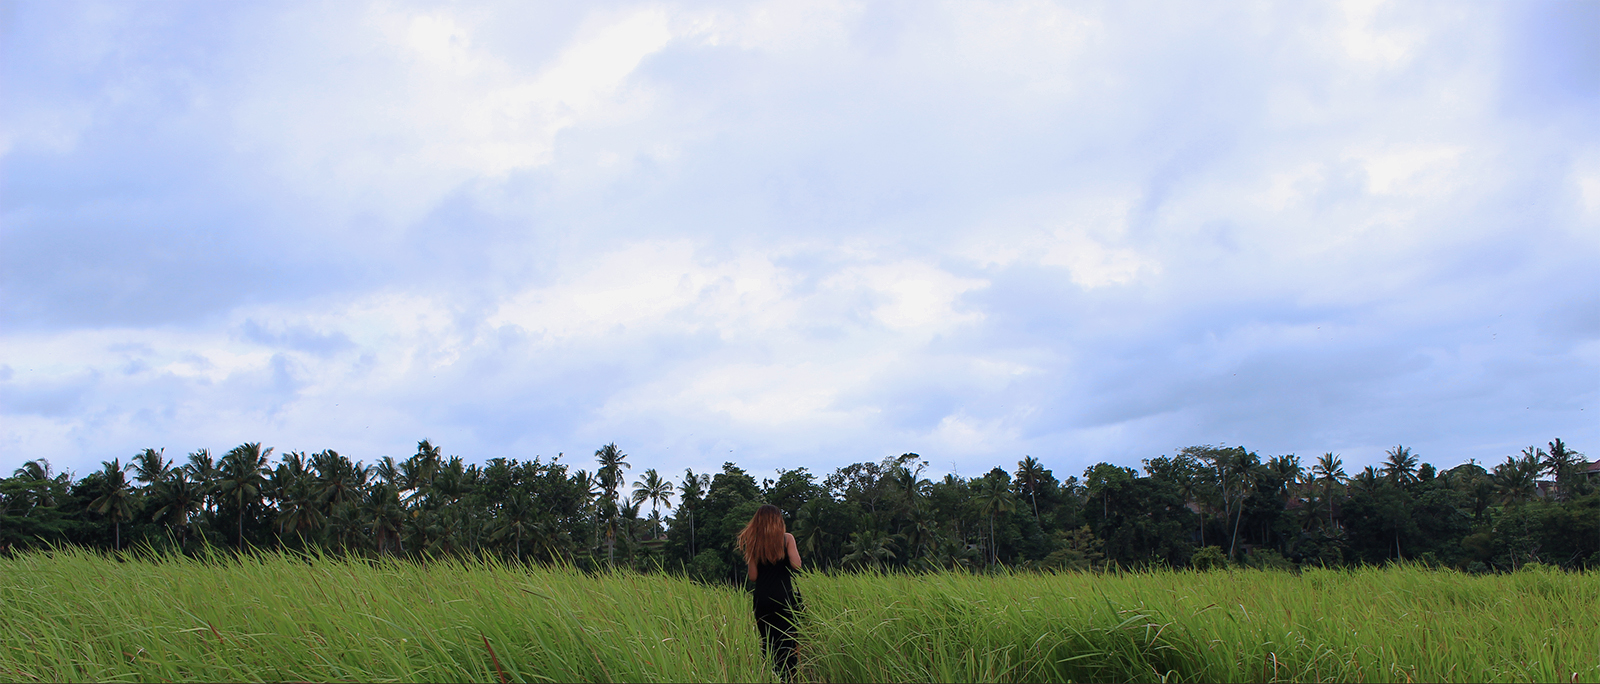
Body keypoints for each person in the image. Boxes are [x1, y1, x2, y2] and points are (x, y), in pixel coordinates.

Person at [737, 504, 802, 681]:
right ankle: (789, 678)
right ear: (778, 521)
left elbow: (753, 576)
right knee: (787, 643)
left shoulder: (753, 542)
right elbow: (797, 566)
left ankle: (772, 676)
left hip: (762, 600)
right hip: (784, 599)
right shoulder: (787, 539)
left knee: (769, 643)